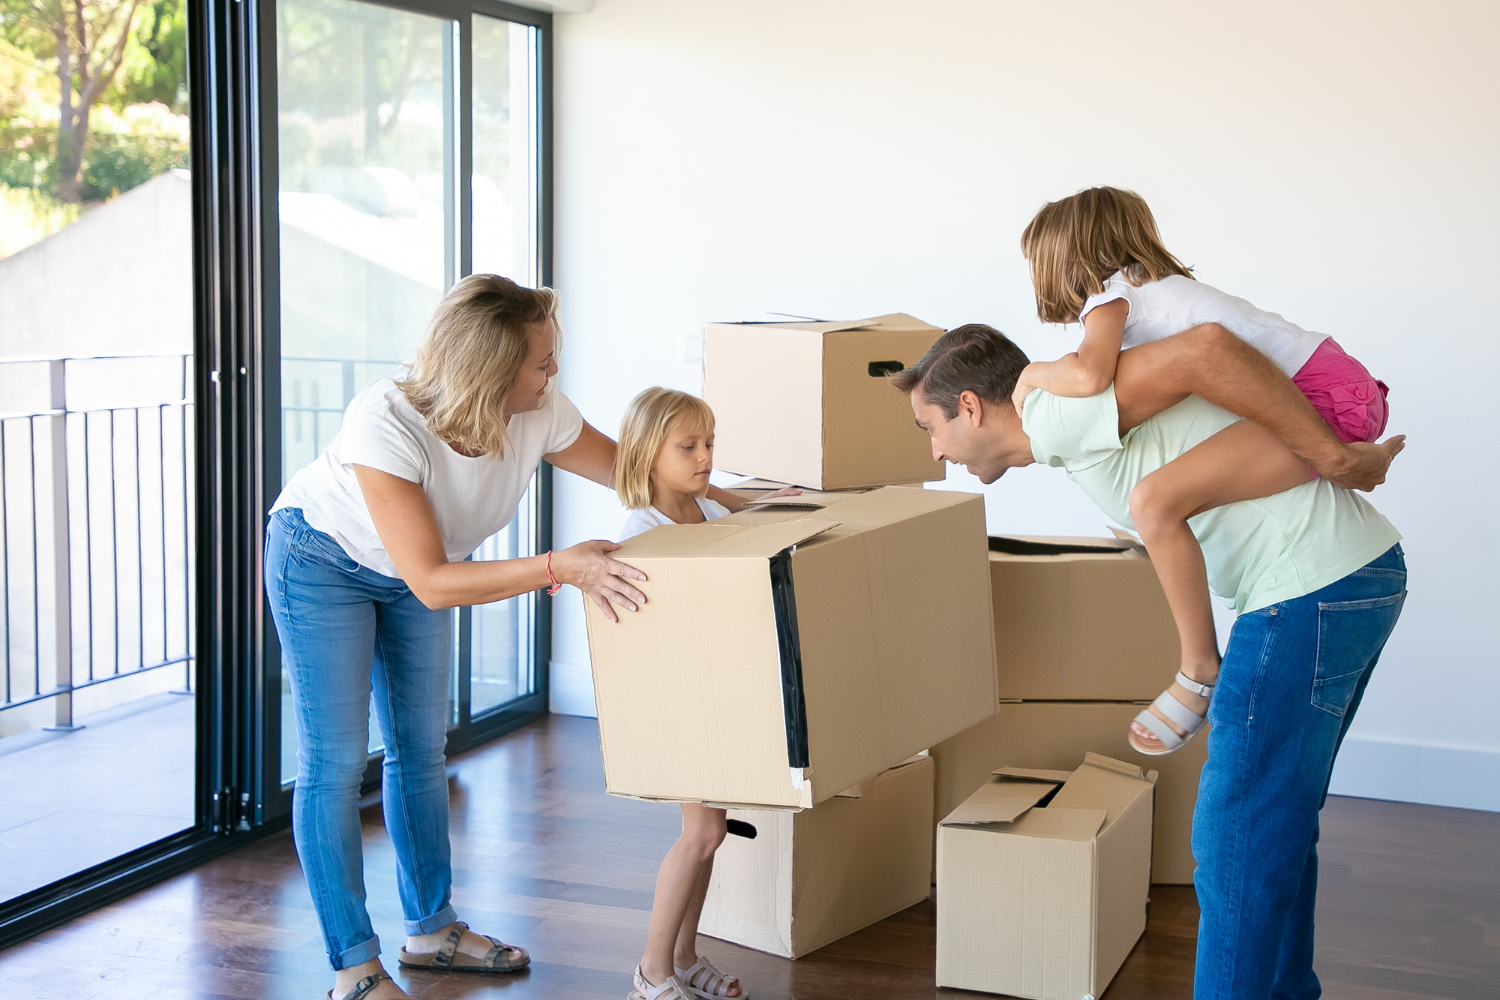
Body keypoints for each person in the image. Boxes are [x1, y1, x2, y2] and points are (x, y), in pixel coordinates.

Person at [264, 276, 750, 1000]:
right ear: (489, 371)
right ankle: (354, 968)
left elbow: (637, 472)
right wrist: (561, 567)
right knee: (335, 762)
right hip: (322, 561)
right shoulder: (384, 423)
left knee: (420, 751)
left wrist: (738, 499)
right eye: (541, 361)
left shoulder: (539, 411)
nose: (554, 373)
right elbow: (430, 578)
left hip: (418, 573)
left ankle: (432, 929)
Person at [893, 323, 1406, 1000]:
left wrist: (1197, 666)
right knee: (1274, 821)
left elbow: (1205, 350)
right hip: (1349, 579)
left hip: (1307, 591)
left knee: (1236, 841)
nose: (935, 452)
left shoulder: (1063, 408)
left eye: (930, 427)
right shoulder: (1071, 430)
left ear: (969, 407)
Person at [1010, 186, 1399, 757]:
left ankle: (1197, 670)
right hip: (1343, 386)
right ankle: (1200, 667)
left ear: (1064, 259)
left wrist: (1036, 374)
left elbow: (1091, 377)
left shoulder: (1112, 298)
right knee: (1160, 499)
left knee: (1154, 503)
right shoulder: (1151, 293)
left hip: (1324, 397)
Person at [614, 387, 750, 1000]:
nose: (704, 457)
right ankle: (652, 970)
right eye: (688, 446)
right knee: (698, 833)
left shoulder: (713, 517)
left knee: (713, 832)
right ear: (647, 454)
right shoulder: (643, 529)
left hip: (719, 692)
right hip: (679, 700)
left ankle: (686, 956)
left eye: (710, 444)